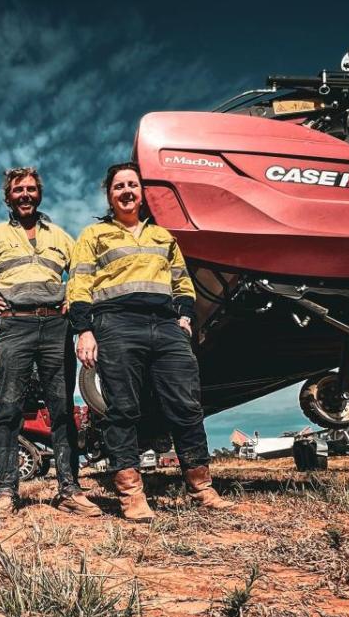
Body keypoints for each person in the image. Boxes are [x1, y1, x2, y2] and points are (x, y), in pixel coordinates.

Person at [67, 162, 233, 522]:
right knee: (122, 408)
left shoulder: (163, 238)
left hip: (165, 325)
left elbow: (182, 282)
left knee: (186, 404)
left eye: (132, 185)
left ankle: (201, 488)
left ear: (142, 193)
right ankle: (131, 494)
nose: (126, 191)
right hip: (116, 324)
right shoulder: (94, 236)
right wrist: (84, 329)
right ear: (109, 195)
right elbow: (78, 285)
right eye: (118, 187)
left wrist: (185, 317)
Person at [0, 167, 98, 516]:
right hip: (13, 327)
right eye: (19, 190)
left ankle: (69, 491)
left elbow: (81, 275)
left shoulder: (61, 237)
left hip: (55, 327)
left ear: (39, 193)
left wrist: (72, 299)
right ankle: (5, 492)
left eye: (32, 189)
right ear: (8, 196)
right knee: (9, 408)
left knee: (62, 409)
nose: (26, 194)